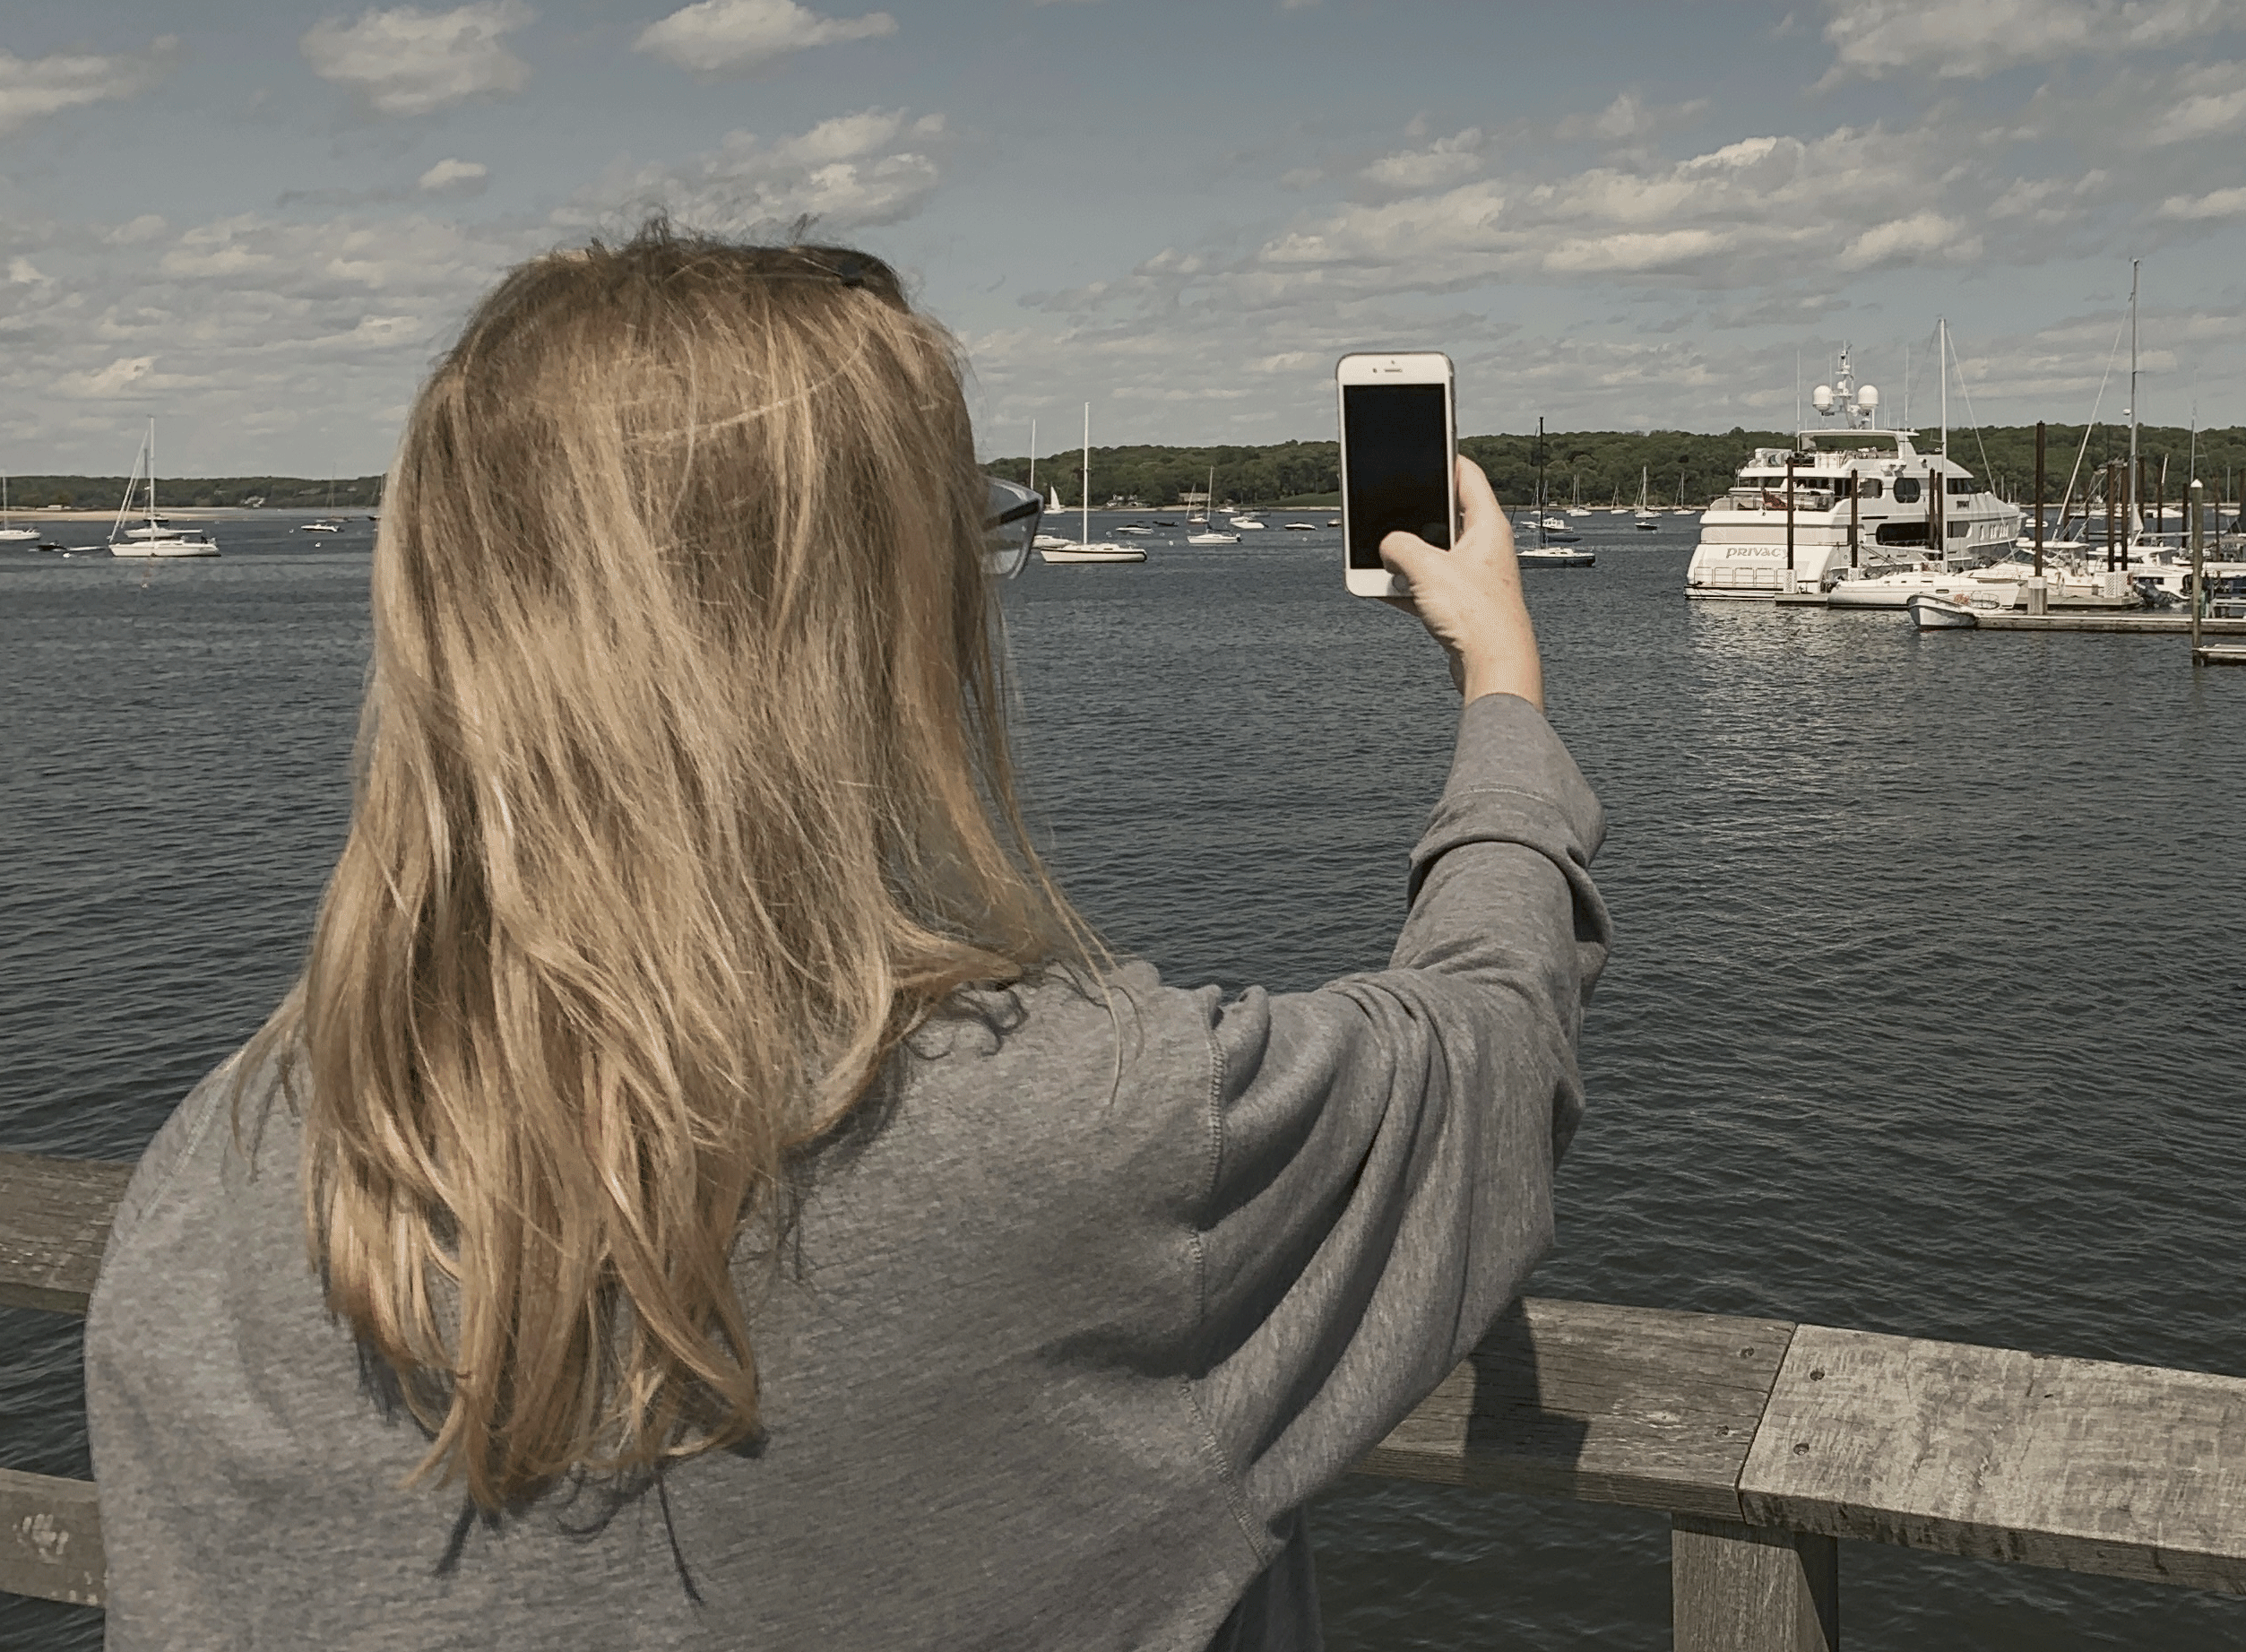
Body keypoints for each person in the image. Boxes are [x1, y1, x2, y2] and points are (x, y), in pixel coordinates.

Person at [82, 229, 1606, 1649]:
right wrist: (1502, 687)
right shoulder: (1086, 1122)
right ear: (866, 618)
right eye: (966, 543)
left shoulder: (217, 1175)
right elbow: (1492, 1037)